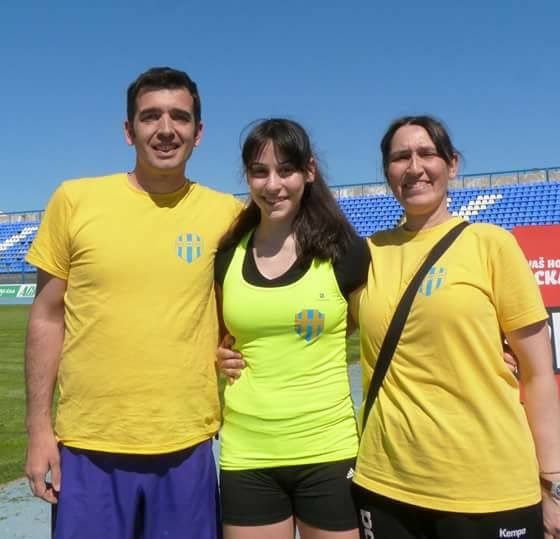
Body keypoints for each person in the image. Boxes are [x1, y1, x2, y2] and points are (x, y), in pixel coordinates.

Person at [24, 66, 241, 539]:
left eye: (179, 117)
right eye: (150, 116)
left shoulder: (228, 213)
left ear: (199, 132)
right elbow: (46, 316)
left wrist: (229, 347)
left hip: (186, 446)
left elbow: (244, 311)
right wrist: (38, 429)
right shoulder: (75, 200)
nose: (166, 129)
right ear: (129, 130)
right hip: (88, 448)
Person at [351, 115, 560, 539]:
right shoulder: (366, 255)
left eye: (427, 153)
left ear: (452, 164)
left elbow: (538, 373)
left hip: (489, 486)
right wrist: (229, 346)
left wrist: (553, 481)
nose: (414, 167)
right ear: (387, 171)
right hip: (385, 483)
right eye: (400, 157)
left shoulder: (491, 244)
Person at [214, 118, 370, 539]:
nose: (272, 185)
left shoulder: (345, 253)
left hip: (328, 449)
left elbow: (379, 330)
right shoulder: (228, 254)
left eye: (286, 170)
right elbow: (214, 335)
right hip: (248, 453)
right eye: (259, 172)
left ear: (309, 171)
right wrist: (217, 355)